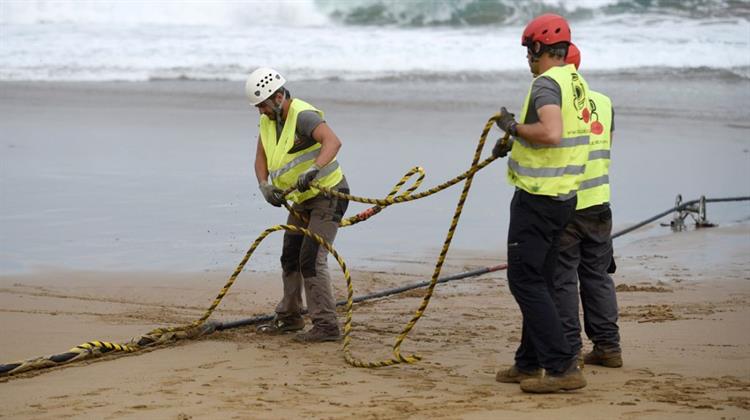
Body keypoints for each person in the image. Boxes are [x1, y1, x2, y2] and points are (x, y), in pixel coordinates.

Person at [492, 14, 591, 393]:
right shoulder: (574, 81)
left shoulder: (546, 85)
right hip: (564, 196)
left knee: (525, 281)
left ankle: (562, 368)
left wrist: (514, 128)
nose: (527, 59)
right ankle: (528, 363)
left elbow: (551, 132)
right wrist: (517, 139)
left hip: (539, 199)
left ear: (538, 48)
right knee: (542, 280)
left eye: (527, 51)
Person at [246, 67, 350, 343]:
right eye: (258, 107)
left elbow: (333, 142)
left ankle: (327, 326)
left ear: (278, 97)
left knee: (311, 259)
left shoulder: (303, 116)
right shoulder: (268, 122)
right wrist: (264, 186)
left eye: (263, 106)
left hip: (329, 196)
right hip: (301, 202)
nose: (261, 112)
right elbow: (261, 158)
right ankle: (290, 318)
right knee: (290, 255)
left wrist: (314, 169)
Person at [553, 44, 622, 368]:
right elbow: (606, 142)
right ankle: (608, 347)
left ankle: (569, 351)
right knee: (597, 277)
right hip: (599, 203)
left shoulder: (556, 104)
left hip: (566, 204)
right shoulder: (605, 103)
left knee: (563, 279)